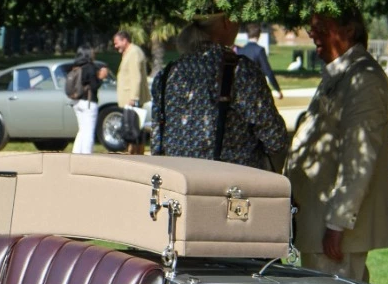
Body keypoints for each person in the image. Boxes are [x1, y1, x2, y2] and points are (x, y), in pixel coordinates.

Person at [284, 8, 388, 282]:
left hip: (332, 233)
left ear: (349, 31)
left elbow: (359, 155)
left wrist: (337, 223)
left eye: (322, 28)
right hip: (316, 224)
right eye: (312, 29)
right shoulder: (340, 73)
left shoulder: (363, 78)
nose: (314, 35)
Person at [149, 11, 289, 170]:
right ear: (227, 21)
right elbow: (276, 140)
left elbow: (156, 143)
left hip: (178, 185)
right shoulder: (240, 71)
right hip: (229, 187)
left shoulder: (166, 75)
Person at [55, 45, 110, 153]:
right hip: (88, 102)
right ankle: (86, 157)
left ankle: (76, 155)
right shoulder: (90, 67)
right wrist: (101, 78)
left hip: (76, 102)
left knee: (82, 131)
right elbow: (94, 86)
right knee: (88, 132)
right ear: (88, 54)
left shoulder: (76, 66)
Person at [111, 30, 149, 145]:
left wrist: (133, 97)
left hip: (132, 100)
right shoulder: (128, 52)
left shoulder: (133, 53)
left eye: (117, 43)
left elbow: (135, 76)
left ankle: (136, 154)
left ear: (125, 40)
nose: (115, 46)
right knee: (131, 128)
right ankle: (133, 150)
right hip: (129, 99)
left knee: (133, 129)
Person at [236, 25, 283, 97]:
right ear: (259, 35)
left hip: (242, 89)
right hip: (256, 88)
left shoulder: (240, 51)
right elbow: (268, 71)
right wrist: (277, 89)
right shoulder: (259, 50)